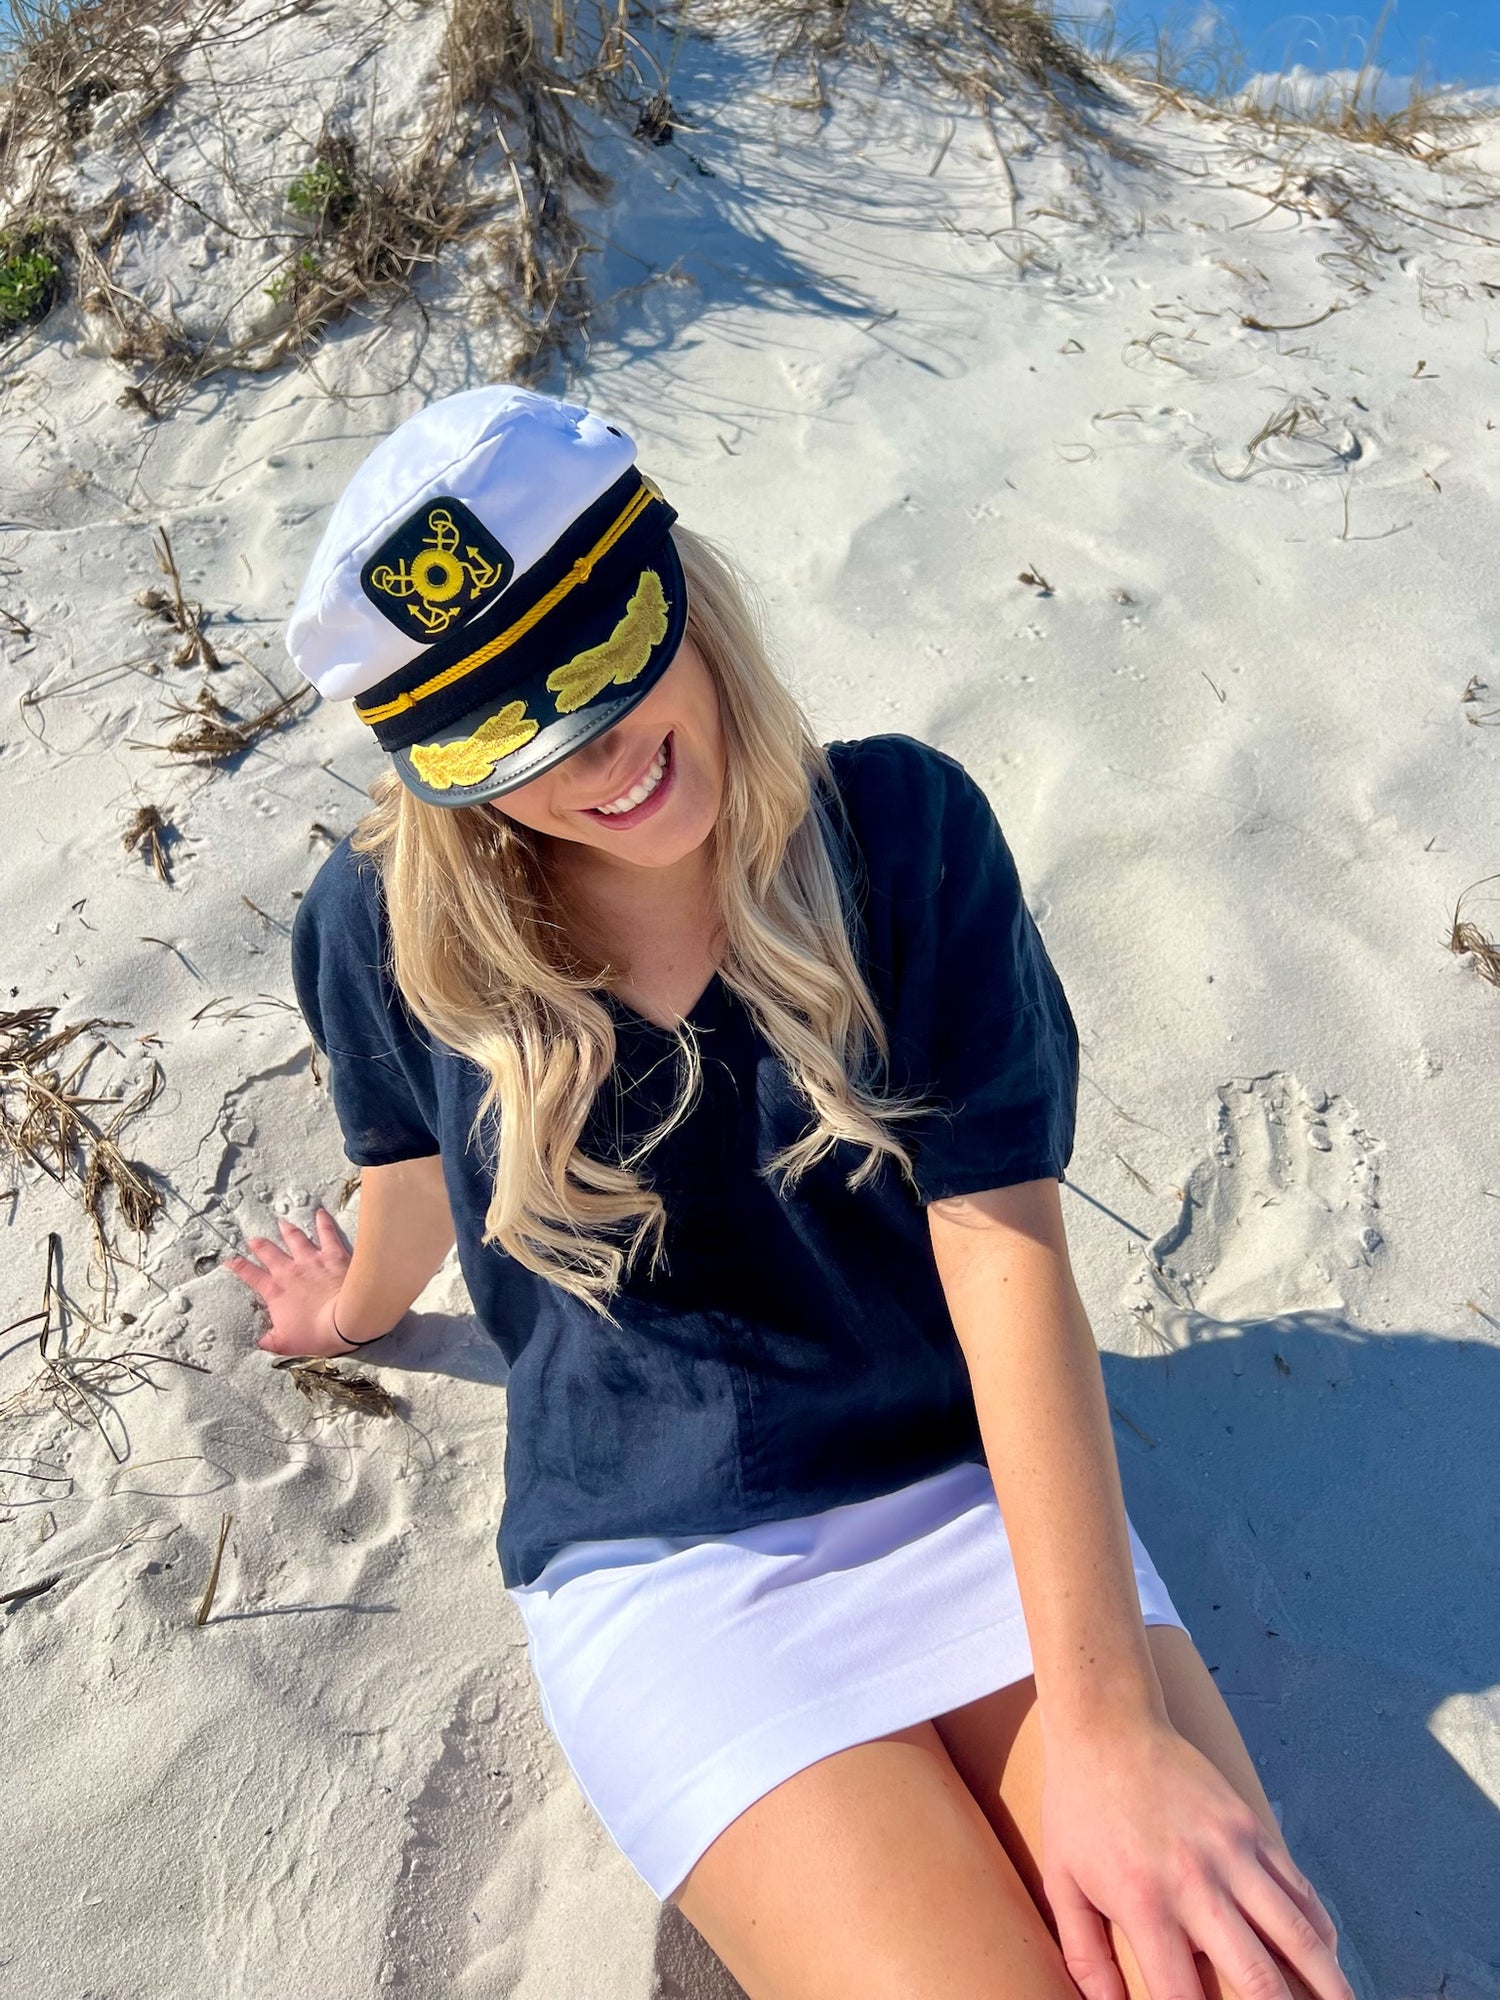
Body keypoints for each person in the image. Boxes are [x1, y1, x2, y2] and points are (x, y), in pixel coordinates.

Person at [227, 384, 1352, 2000]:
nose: (591, 752)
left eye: (602, 662)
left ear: (680, 594)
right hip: (669, 1562)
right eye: (509, 731)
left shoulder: (904, 835)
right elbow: (400, 1161)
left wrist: (1106, 1728)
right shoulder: (385, 922)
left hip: (974, 1499)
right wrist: (348, 1304)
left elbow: (1004, 1253)